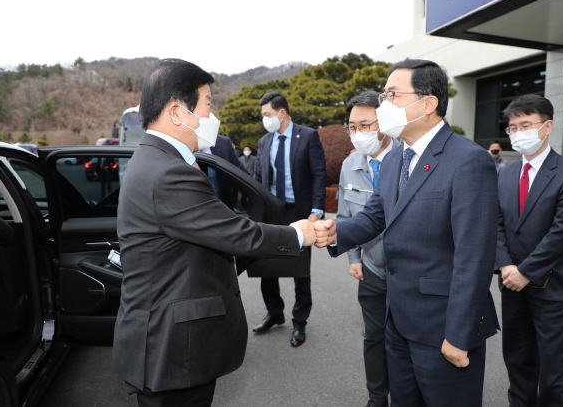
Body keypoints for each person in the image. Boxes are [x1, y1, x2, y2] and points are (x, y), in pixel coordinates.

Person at [112, 59, 316, 407]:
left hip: (167, 341)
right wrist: (298, 235)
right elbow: (235, 233)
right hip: (173, 348)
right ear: (178, 112)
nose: (212, 114)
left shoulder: (155, 159)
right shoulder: (168, 172)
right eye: (208, 103)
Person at [315, 58, 500, 406]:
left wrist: (458, 336)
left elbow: (473, 256)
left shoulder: (468, 161)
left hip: (442, 327)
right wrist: (332, 232)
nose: (384, 104)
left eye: (392, 95)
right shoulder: (394, 159)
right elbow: (374, 219)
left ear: (428, 104)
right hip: (397, 319)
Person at [496, 94, 563, 406]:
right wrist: (506, 266)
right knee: (518, 360)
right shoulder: (505, 174)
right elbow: (495, 224)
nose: (518, 132)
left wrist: (526, 271)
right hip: (511, 284)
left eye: (526, 125)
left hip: (553, 286)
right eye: (512, 127)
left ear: (547, 126)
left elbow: (562, 232)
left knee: (555, 369)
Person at [336, 90, 400, 407]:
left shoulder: (410, 159)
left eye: (366, 125)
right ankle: (377, 398)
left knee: (404, 341)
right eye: (352, 127)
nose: (358, 134)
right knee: (373, 338)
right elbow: (346, 215)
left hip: (407, 272)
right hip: (371, 270)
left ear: (384, 122)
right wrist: (353, 257)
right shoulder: (350, 164)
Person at [253, 91, 327, 347]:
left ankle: (300, 321)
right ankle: (274, 313)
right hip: (272, 212)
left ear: (282, 113)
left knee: (300, 270)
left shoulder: (307, 136)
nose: (265, 119)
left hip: (299, 212)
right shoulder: (264, 142)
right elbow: (258, 179)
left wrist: (316, 211)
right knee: (266, 267)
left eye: (267, 114)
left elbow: (319, 175)